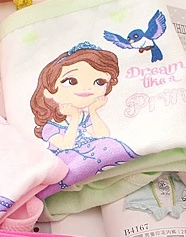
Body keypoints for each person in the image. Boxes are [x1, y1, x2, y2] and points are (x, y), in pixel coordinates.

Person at [29, 43, 137, 184]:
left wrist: (93, 111)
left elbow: (102, 134)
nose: (87, 88)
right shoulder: (51, 127)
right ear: (48, 91)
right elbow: (66, 146)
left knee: (109, 144)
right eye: (71, 81)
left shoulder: (85, 116)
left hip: (89, 153)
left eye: (99, 82)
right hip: (66, 161)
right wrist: (74, 118)